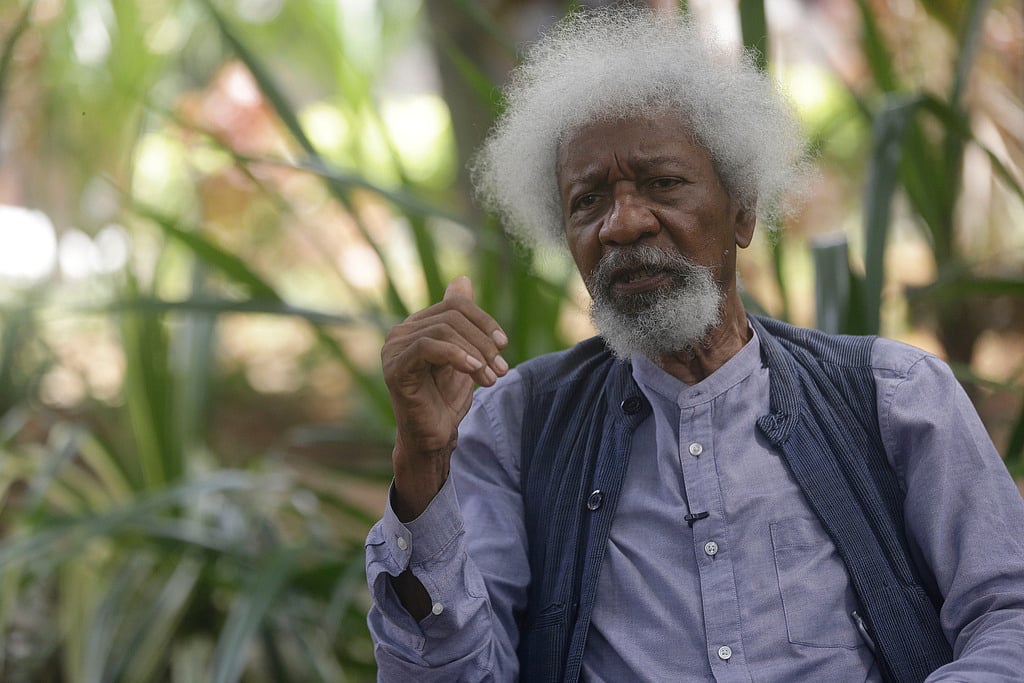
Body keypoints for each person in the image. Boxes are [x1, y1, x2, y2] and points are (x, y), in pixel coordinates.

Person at [364, 7, 1024, 682]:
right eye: (588, 200)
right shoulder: (518, 425)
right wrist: (422, 464)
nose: (623, 222)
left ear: (741, 208)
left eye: (662, 183)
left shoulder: (893, 397)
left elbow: (1010, 614)